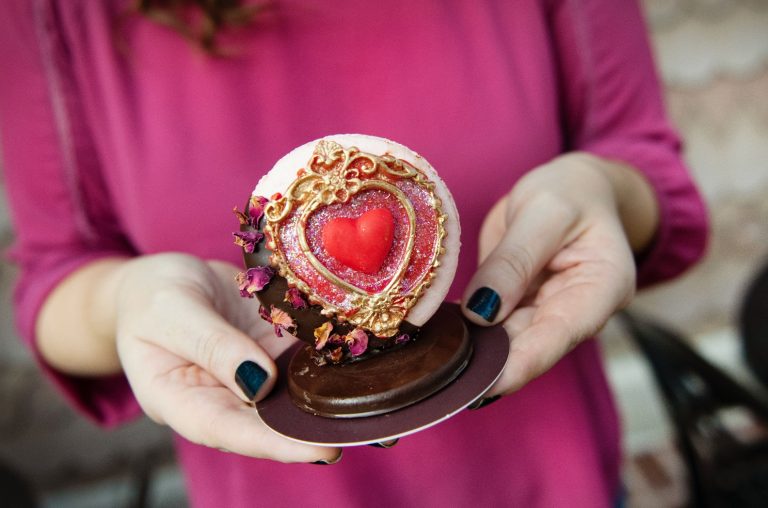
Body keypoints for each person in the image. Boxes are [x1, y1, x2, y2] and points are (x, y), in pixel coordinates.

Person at [0, 1, 708, 506]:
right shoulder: (52, 14)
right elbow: (57, 272)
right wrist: (128, 298)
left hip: (557, 480)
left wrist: (605, 189)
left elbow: (641, 156)